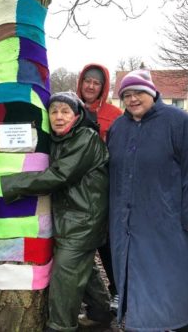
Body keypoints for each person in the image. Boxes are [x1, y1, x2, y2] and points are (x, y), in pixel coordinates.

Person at [108, 69, 188, 331]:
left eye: (138, 93)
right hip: (128, 224)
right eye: (126, 95)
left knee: (174, 283)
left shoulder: (177, 121)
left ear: (152, 92)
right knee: (135, 282)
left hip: (170, 222)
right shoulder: (119, 127)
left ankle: (179, 326)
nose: (132, 99)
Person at [1, 91, 112, 332]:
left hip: (84, 220)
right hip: (69, 218)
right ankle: (101, 313)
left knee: (64, 275)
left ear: (77, 115)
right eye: (54, 112)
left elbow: (59, 175)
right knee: (80, 268)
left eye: (65, 111)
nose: (59, 117)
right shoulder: (60, 139)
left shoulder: (85, 138)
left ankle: (60, 326)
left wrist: (9, 185)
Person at [76, 64, 123, 313]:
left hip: (103, 187)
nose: (90, 86)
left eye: (96, 83)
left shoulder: (114, 114)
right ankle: (90, 298)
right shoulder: (71, 109)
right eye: (87, 81)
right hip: (75, 189)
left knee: (106, 243)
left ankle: (117, 291)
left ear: (103, 87)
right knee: (80, 247)